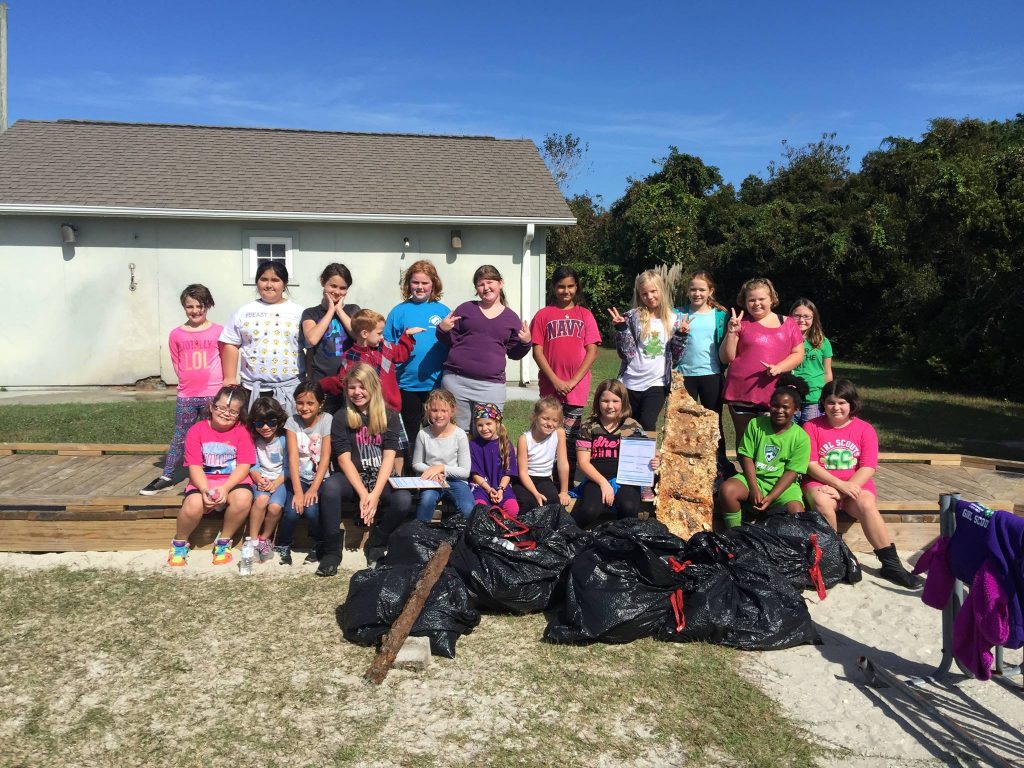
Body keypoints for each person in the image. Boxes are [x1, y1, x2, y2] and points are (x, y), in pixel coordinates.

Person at [802, 379, 921, 588]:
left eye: (842, 402)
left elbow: (868, 466)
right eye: (830, 402)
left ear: (851, 404)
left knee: (866, 503)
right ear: (823, 403)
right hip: (822, 482)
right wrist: (839, 485)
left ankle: (891, 564)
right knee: (822, 502)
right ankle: (834, 558)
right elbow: (810, 464)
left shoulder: (865, 429)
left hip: (855, 484)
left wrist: (846, 488)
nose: (836, 408)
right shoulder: (811, 426)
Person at [316, 364, 412, 576]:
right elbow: (343, 460)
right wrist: (363, 494)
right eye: (352, 387)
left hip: (381, 477)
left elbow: (389, 457)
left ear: (374, 387)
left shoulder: (390, 415)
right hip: (353, 477)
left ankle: (377, 542)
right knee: (330, 488)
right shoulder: (341, 417)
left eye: (362, 387)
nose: (357, 392)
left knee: (404, 499)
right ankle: (332, 550)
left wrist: (375, 495)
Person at [141, 284, 224, 495]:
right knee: (180, 435)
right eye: (190, 306)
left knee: (212, 434)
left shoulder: (219, 332)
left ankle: (212, 474)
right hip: (187, 395)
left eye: (200, 305)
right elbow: (178, 364)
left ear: (208, 305)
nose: (195, 310)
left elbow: (226, 359)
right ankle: (167, 475)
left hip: (212, 394)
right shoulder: (176, 334)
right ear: (184, 307)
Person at [319, 309, 421, 474]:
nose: (382, 337)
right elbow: (343, 382)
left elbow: (400, 354)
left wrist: (407, 337)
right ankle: (370, 482)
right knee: (372, 448)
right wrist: (321, 385)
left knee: (396, 449)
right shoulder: (350, 356)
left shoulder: (386, 347)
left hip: (391, 410)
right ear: (365, 333)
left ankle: (397, 483)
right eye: (380, 333)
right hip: (365, 413)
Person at [166, 385, 256, 567]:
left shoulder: (242, 431)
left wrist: (225, 488)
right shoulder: (196, 430)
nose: (225, 414)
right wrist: (205, 489)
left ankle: (224, 541)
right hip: (204, 481)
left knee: (243, 499)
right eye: (221, 408)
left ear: (240, 414)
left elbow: (243, 465)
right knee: (193, 505)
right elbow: (195, 466)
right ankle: (180, 542)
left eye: (232, 411)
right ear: (212, 406)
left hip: (232, 481)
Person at [437, 265, 532, 431]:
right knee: (456, 433)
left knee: (488, 433)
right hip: (456, 382)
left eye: (490, 282)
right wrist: (442, 330)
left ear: (500, 283)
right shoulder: (466, 309)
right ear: (476, 289)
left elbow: (515, 353)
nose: (486, 287)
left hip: (490, 387)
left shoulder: (511, 318)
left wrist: (525, 342)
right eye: (481, 284)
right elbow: (450, 341)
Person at [530, 265, 601, 483]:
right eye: (561, 287)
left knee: (569, 438)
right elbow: (537, 351)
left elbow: (592, 350)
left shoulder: (585, 315)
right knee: (547, 431)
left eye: (570, 286)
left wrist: (572, 381)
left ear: (576, 287)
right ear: (554, 287)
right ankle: (542, 477)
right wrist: (556, 380)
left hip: (576, 388)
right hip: (551, 387)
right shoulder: (544, 315)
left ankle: (566, 482)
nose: (566, 291)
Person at [720, 277, 805, 452]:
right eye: (751, 300)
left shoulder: (788, 323)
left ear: (772, 299)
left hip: (774, 392)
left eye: (761, 299)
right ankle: (746, 475)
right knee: (744, 437)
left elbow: (798, 354)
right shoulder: (740, 323)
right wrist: (731, 332)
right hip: (741, 390)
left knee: (772, 436)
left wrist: (779, 367)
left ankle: (768, 474)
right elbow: (727, 357)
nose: (756, 304)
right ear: (744, 302)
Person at [718, 375, 811, 529]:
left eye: (786, 407)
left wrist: (772, 497)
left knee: (796, 512)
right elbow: (746, 456)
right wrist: (754, 488)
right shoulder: (756, 424)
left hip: (783, 486)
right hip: (755, 479)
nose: (779, 411)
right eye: (775, 405)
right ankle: (733, 534)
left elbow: (792, 472)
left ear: (796, 409)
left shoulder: (801, 437)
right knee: (727, 490)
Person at [220, 261, 305, 413]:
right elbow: (231, 343)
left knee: (291, 433)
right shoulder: (243, 312)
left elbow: (310, 346)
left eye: (275, 280)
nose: (268, 285)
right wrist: (229, 378)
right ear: (257, 282)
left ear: (284, 284)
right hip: (252, 390)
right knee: (257, 431)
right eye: (264, 279)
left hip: (291, 389)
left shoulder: (299, 312)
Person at [608, 269, 687, 432]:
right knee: (628, 425)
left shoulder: (674, 319)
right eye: (644, 294)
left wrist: (680, 336)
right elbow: (626, 353)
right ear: (639, 295)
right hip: (630, 381)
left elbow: (677, 358)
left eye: (653, 291)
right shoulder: (632, 317)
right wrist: (622, 329)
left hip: (657, 382)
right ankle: (629, 458)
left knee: (647, 422)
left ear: (661, 290)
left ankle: (649, 458)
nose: (649, 297)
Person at [385, 260, 451, 451]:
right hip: (406, 384)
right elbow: (387, 348)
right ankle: (410, 475)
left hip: (436, 384)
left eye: (425, 283)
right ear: (408, 284)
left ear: (434, 284)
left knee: (435, 433)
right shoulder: (398, 312)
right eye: (415, 282)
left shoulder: (443, 311)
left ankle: (433, 473)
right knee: (411, 435)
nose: (420, 287)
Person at [572, 379, 657, 529]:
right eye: (605, 400)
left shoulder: (632, 426)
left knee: (629, 506)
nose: (610, 406)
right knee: (589, 510)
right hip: (596, 479)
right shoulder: (589, 426)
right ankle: (565, 533)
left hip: (626, 479)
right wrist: (603, 483)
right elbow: (583, 463)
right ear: (598, 401)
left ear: (623, 402)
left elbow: (644, 454)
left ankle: (622, 541)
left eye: (615, 401)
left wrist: (654, 461)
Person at [674, 270, 732, 481]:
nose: (697, 293)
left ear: (710, 291)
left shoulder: (720, 316)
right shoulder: (677, 313)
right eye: (693, 289)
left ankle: (719, 469)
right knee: (683, 425)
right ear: (687, 291)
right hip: (683, 376)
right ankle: (682, 469)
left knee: (713, 426)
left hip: (711, 375)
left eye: (701, 289)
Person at [279, 381, 332, 566]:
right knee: (292, 511)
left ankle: (319, 541)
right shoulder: (292, 421)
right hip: (298, 478)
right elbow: (293, 457)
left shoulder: (327, 420)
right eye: (300, 403)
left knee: (311, 511)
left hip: (320, 478)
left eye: (310, 403)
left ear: (320, 404)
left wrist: (313, 489)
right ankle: (283, 544)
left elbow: (325, 457)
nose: (304, 408)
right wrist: (299, 491)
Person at [301, 263, 359, 412]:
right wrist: (330, 310)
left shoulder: (352, 310)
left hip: (351, 382)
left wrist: (339, 310)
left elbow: (358, 335)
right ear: (323, 282)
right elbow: (312, 339)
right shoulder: (311, 313)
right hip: (321, 382)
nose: (337, 292)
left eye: (343, 288)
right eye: (333, 286)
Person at [411, 389, 474, 521]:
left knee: (468, 508)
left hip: (456, 481)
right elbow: (416, 463)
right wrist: (432, 472)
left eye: (443, 411)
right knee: (426, 501)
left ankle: (461, 538)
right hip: (432, 481)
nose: (439, 415)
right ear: (428, 410)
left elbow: (464, 472)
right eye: (434, 410)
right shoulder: (423, 434)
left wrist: (441, 468)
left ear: (452, 411)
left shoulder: (460, 435)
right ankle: (420, 535)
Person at [246, 396, 289, 564]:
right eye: (259, 424)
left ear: (278, 420)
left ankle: (265, 539)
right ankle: (253, 541)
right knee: (261, 500)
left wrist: (276, 483)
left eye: (271, 422)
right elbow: (252, 465)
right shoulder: (254, 441)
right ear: (253, 424)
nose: (265, 428)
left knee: (275, 507)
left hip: (280, 479)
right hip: (261, 479)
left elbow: (290, 466)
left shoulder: (285, 440)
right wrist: (259, 479)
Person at [512, 396, 571, 514]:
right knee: (529, 504)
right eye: (545, 418)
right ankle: (523, 531)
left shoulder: (559, 433)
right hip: (524, 479)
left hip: (544, 478)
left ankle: (546, 531)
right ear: (535, 417)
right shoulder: (524, 439)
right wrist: (536, 493)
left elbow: (563, 463)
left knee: (553, 502)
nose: (550, 424)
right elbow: (522, 472)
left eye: (555, 420)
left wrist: (564, 491)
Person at [469, 403, 519, 517]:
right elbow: (474, 474)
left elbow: (508, 473)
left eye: (488, 424)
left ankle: (502, 530)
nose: (484, 428)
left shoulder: (505, 444)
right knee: (480, 509)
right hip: (481, 487)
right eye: (480, 425)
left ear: (497, 423)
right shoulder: (473, 445)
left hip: (501, 487)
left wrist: (500, 490)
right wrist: (488, 490)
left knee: (512, 509)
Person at [790, 298, 834, 425]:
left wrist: (828, 396)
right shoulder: (784, 340)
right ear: (790, 316)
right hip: (791, 397)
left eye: (806, 316)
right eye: (797, 316)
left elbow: (827, 372)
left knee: (810, 435)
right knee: (788, 434)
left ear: (814, 318)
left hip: (814, 398)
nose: (801, 320)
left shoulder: (823, 342)